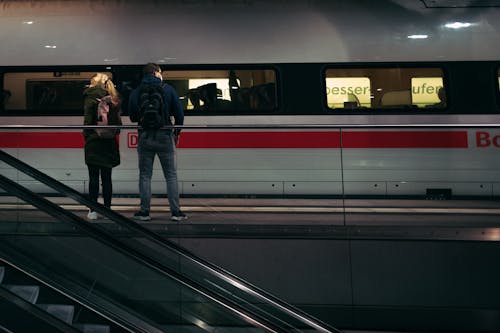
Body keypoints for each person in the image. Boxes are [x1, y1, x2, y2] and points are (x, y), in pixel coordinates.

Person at [128, 63, 187, 221]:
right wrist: (176, 133)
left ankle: (144, 212)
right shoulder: (168, 89)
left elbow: (133, 117)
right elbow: (180, 115)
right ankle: (176, 212)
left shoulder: (136, 91)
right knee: (171, 176)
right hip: (165, 135)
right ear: (156, 73)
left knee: (145, 175)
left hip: (145, 136)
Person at [83, 73, 122, 220]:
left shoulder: (90, 98)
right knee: (107, 178)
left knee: (93, 177)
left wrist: (88, 136)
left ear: (94, 83)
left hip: (93, 141)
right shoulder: (114, 99)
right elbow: (118, 125)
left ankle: (92, 210)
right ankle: (108, 210)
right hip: (109, 142)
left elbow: (87, 122)